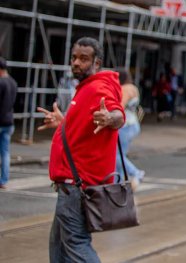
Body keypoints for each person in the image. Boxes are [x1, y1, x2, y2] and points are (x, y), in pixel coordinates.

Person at [37, 37, 125, 263]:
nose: (76, 63)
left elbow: (118, 114)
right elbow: (83, 130)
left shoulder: (99, 88)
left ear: (97, 63)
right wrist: (63, 122)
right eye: (74, 57)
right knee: (58, 247)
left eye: (84, 59)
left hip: (77, 187)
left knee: (75, 244)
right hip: (72, 185)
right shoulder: (85, 88)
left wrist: (110, 117)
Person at [115, 68, 145, 190]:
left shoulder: (125, 89)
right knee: (121, 154)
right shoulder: (133, 88)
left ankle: (135, 172)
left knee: (117, 155)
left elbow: (120, 106)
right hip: (133, 124)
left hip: (125, 125)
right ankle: (120, 182)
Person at [0, 57, 17, 189]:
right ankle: (4, 179)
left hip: (0, 120)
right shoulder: (13, 82)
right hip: (9, 120)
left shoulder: (1, 83)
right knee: (5, 152)